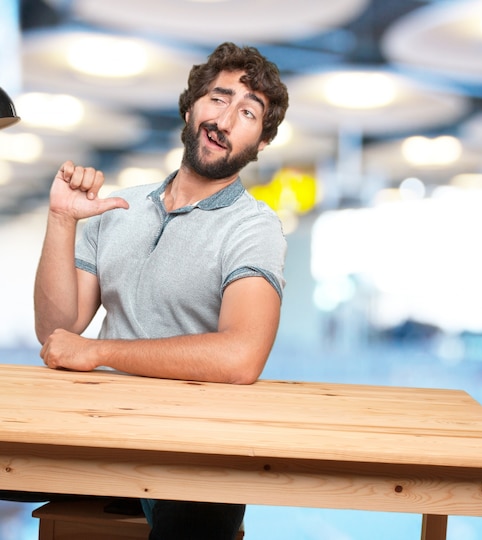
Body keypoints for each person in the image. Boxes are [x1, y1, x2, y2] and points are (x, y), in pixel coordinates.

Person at [23, 42, 288, 540]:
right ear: (191, 107)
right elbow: (56, 330)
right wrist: (61, 220)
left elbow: (241, 356)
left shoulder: (255, 227)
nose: (224, 120)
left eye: (247, 112)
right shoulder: (121, 206)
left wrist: (97, 350)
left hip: (193, 442)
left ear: (260, 143)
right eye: (218, 98)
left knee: (200, 523)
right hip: (97, 425)